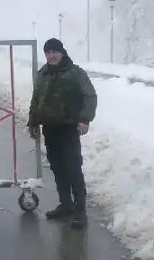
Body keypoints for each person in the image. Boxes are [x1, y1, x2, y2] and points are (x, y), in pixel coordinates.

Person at [27, 38, 97, 229]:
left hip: (69, 128)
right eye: (48, 52)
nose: (51, 56)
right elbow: (36, 99)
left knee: (73, 168)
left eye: (54, 52)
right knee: (58, 168)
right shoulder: (43, 73)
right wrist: (33, 122)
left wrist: (84, 119)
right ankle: (66, 205)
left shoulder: (75, 73)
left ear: (62, 52)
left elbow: (89, 96)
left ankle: (80, 212)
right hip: (50, 128)